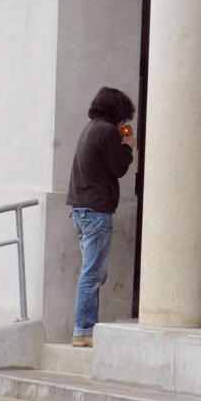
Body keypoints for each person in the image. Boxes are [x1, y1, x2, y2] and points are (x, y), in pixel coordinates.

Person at [66, 87, 136, 347]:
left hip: (81, 208)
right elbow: (118, 167)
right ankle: (84, 330)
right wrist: (128, 147)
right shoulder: (106, 131)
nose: (124, 122)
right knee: (92, 274)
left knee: (91, 272)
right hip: (96, 210)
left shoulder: (91, 128)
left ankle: (84, 328)